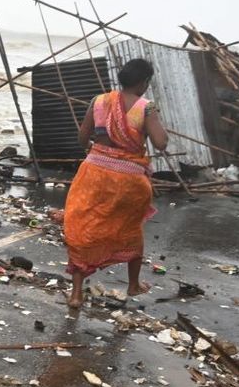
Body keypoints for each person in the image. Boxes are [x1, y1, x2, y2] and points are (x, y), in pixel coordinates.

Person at [62, 58, 168, 308]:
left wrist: (102, 152)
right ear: (143, 82)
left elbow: (81, 139)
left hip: (93, 174)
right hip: (129, 181)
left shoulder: (99, 101)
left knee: (83, 229)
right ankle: (133, 285)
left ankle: (76, 294)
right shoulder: (146, 107)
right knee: (130, 229)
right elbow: (161, 143)